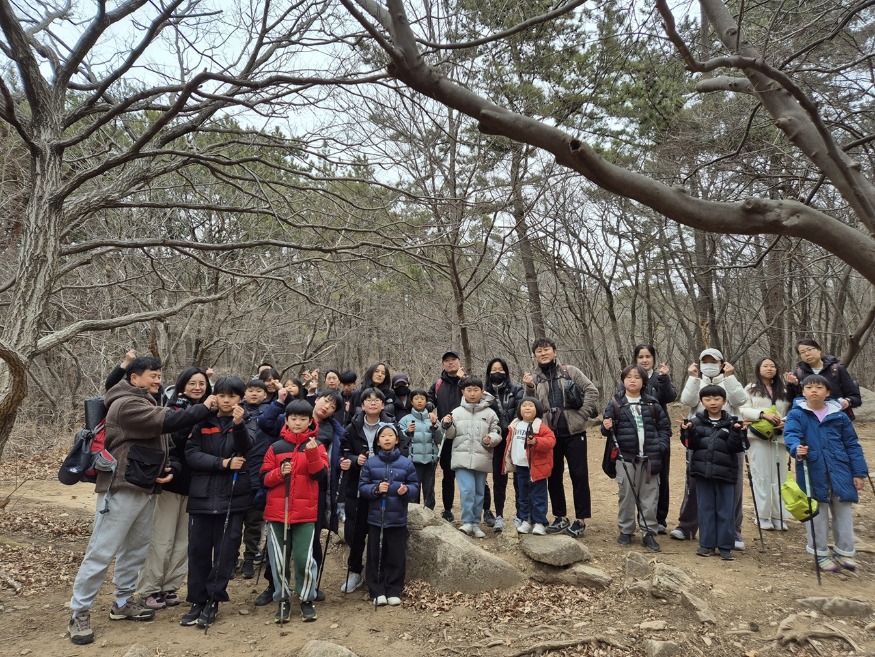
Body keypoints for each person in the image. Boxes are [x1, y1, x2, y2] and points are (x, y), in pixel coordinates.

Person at [67, 356, 216, 646]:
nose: (158, 379)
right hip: (120, 487)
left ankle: (122, 602)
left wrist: (168, 467)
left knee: (135, 550)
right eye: (152, 375)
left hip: (144, 487)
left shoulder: (148, 402)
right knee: (101, 550)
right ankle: (79, 611)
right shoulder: (125, 404)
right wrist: (205, 407)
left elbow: (164, 441)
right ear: (134, 378)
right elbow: (169, 421)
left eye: (160, 375)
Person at [137, 367, 212, 610]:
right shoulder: (171, 411)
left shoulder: (213, 414)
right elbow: (173, 441)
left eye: (202, 383)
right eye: (192, 383)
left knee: (183, 542)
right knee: (162, 538)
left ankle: (170, 586)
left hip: (197, 486)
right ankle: (149, 588)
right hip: (171, 483)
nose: (197, 387)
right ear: (182, 385)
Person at [180, 376, 252, 628]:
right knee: (198, 551)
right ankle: (197, 600)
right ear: (215, 397)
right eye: (222, 395)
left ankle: (213, 600)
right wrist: (222, 463)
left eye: (232, 396)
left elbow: (247, 448)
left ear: (239, 399)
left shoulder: (246, 420)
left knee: (225, 553)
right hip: (201, 495)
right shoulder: (201, 421)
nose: (227, 400)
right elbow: (191, 454)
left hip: (233, 497)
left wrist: (239, 424)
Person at [783, 375, 869, 573]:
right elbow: (791, 435)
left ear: (828, 392)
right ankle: (819, 553)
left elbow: (852, 445)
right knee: (817, 512)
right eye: (809, 387)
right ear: (803, 392)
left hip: (841, 469)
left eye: (819, 387)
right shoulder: (797, 414)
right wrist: (796, 448)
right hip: (812, 469)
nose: (814, 390)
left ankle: (845, 552)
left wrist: (859, 473)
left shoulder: (839, 416)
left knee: (843, 511)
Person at [522, 338, 599, 539]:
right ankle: (560, 516)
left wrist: (582, 414)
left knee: (579, 475)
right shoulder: (535, 378)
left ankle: (580, 520)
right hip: (549, 435)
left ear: (554, 351)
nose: (543, 353)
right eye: (539, 351)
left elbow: (592, 390)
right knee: (553, 476)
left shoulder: (570, 371)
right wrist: (529, 387)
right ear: (535, 355)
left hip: (575, 432)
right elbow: (529, 405)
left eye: (546, 349)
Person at [672, 348, 747, 550]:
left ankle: (734, 532)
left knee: (733, 488)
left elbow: (740, 400)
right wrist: (693, 379)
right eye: (705, 361)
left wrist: (730, 378)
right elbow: (687, 401)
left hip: (729, 441)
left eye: (713, 361)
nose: (709, 364)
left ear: (722, 363)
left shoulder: (729, 380)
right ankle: (687, 526)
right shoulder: (697, 381)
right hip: (700, 437)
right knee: (694, 484)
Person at [261, 399, 328, 623]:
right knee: (279, 559)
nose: (297, 423)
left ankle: (307, 598)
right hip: (278, 513)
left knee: (303, 558)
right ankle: (282, 599)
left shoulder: (317, 446)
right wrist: (280, 473)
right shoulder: (276, 447)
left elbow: (321, 476)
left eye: (302, 419)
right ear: (286, 421)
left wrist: (312, 455)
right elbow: (264, 479)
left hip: (305, 513)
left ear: (310, 421)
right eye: (293, 419)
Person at [602, 365, 670, 552]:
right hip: (625, 458)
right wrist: (606, 425)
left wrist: (660, 446)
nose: (632, 380)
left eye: (637, 377)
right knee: (626, 495)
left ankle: (649, 532)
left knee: (650, 496)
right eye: (629, 377)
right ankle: (626, 529)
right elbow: (606, 429)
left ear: (643, 382)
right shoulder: (616, 403)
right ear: (623, 380)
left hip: (651, 458)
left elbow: (665, 428)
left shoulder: (652, 403)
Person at [679, 385, 746, 561]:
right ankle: (706, 544)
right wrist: (687, 430)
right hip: (703, 473)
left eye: (717, 399)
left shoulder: (733, 423)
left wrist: (739, 433)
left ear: (724, 401)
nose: (713, 403)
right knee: (706, 508)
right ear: (702, 402)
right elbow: (690, 444)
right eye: (708, 399)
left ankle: (725, 546)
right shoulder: (696, 421)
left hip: (726, 474)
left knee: (726, 510)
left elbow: (737, 447)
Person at [338, 388, 395, 593]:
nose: (372, 403)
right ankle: (355, 572)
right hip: (358, 487)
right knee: (355, 532)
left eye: (377, 400)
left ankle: (377, 574)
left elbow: (401, 450)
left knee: (379, 532)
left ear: (382, 404)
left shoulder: (391, 425)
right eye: (368, 400)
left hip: (383, 486)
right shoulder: (353, 426)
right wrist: (354, 460)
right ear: (362, 405)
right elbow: (343, 452)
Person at [358, 424, 419, 606]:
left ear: (397, 439)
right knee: (375, 554)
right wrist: (376, 489)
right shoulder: (371, 463)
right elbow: (363, 487)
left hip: (397, 519)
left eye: (390, 435)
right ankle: (377, 590)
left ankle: (394, 589)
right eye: (383, 436)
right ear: (378, 441)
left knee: (396, 555)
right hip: (376, 519)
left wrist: (405, 490)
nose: (387, 438)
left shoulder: (406, 463)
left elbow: (415, 487)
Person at [442, 376, 501, 539]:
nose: (473, 393)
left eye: (476, 390)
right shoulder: (456, 412)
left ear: (482, 392)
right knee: (467, 490)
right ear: (463, 392)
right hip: (461, 458)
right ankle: (467, 521)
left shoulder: (490, 413)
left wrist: (491, 439)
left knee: (479, 492)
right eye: (469, 390)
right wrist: (446, 424)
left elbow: (497, 432)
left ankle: (475, 523)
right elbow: (450, 435)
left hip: (482, 458)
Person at [628, 344, 676, 533]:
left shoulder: (660, 377)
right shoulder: (631, 377)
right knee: (638, 478)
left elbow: (670, 397)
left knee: (660, 476)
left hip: (658, 435)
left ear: (654, 359)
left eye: (648, 356)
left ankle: (659, 518)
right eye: (640, 357)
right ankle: (641, 517)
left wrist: (664, 379)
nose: (644, 360)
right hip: (635, 436)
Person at [739, 358, 791, 530]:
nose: (770, 368)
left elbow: (792, 411)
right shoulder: (750, 389)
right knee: (761, 476)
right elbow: (743, 409)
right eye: (765, 366)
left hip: (779, 438)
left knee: (779, 476)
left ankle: (778, 515)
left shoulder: (783, 391)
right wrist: (762, 414)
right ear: (758, 368)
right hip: (758, 437)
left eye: (773, 365)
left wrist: (785, 422)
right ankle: (762, 515)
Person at [503, 397, 555, 535]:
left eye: (530, 405)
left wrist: (536, 442)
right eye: (524, 405)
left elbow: (551, 441)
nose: (527, 408)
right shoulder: (515, 424)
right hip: (520, 466)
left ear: (537, 409)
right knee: (523, 495)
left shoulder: (540, 426)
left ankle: (539, 522)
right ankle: (525, 520)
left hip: (537, 467)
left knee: (538, 495)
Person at [484, 358, 524, 532]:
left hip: (515, 438)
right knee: (499, 480)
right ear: (488, 373)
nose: (497, 372)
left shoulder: (516, 390)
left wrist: (512, 428)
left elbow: (522, 408)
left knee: (519, 479)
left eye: (500, 369)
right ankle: (499, 515)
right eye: (493, 370)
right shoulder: (484, 393)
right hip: (497, 441)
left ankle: (520, 515)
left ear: (506, 372)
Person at [239, 378, 272, 580]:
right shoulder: (237, 411)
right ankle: (231, 558)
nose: (253, 394)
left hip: (259, 473)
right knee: (233, 523)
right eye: (250, 390)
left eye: (258, 391)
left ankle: (250, 557)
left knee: (254, 521)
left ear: (265, 394)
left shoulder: (270, 413)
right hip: (237, 471)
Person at [428, 350, 465, 521]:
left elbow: (479, 398)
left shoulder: (467, 381)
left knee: (470, 472)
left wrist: (463, 380)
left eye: (453, 360)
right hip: (445, 434)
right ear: (443, 364)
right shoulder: (438, 384)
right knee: (448, 474)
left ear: (459, 362)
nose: (450, 363)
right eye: (447, 361)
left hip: (466, 434)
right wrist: (428, 410)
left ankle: (483, 510)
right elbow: (428, 401)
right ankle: (448, 509)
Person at [785, 339, 861, 418]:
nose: (807, 354)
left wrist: (848, 401)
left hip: (836, 418)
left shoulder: (836, 369)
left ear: (819, 349)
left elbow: (855, 397)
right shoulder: (799, 373)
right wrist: (794, 384)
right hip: (809, 419)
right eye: (802, 352)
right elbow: (792, 400)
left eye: (809, 349)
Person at [399, 389, 443, 509]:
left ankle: (430, 516)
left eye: (422, 399)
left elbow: (440, 439)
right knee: (413, 489)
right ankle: (413, 515)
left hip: (430, 461)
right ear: (411, 402)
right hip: (412, 462)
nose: (419, 401)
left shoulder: (432, 418)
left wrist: (435, 426)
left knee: (429, 491)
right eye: (416, 399)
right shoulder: (405, 420)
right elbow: (400, 441)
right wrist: (407, 432)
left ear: (426, 402)